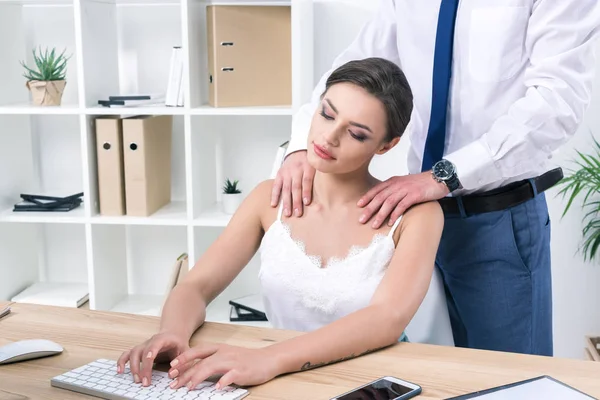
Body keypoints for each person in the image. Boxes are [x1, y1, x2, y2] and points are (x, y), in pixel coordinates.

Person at [271, 0, 600, 357]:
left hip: (494, 220)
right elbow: (356, 67)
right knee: (415, 370)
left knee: (508, 380)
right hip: (409, 219)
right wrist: (302, 146)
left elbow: (557, 101)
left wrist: (446, 176)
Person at [116, 58, 445, 390]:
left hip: (372, 384)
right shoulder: (267, 199)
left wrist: (269, 359)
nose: (329, 137)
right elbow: (194, 287)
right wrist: (172, 332)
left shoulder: (416, 215)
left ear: (386, 145)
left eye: (356, 133)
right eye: (327, 114)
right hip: (281, 383)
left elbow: (385, 320)